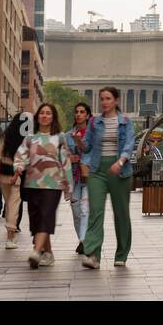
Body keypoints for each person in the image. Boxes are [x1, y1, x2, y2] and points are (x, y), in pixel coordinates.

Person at [80, 86, 135, 270]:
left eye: (108, 98)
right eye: (102, 98)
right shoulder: (94, 122)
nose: (104, 102)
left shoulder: (126, 122)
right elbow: (87, 147)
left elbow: (129, 144)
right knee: (95, 212)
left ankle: (121, 254)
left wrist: (120, 162)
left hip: (120, 171)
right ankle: (93, 255)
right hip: (97, 171)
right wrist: (79, 142)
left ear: (116, 101)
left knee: (121, 214)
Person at [12, 103, 73, 268]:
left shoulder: (59, 138)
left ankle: (36, 252)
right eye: (42, 113)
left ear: (53, 117)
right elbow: (21, 156)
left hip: (53, 184)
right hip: (32, 183)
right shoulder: (30, 138)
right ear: (38, 116)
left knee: (46, 216)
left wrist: (69, 187)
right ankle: (49, 253)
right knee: (37, 219)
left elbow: (66, 162)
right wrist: (18, 168)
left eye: (48, 113)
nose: (45, 116)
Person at [0, 112, 29, 249]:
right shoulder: (25, 138)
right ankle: (10, 236)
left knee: (8, 204)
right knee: (13, 205)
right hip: (16, 175)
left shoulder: (5, 136)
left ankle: (10, 232)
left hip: (4, 174)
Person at [66, 102, 92, 253]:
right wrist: (69, 157)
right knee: (76, 211)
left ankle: (86, 241)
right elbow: (61, 154)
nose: (79, 114)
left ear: (87, 115)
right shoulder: (68, 135)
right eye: (76, 112)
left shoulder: (93, 135)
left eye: (82, 112)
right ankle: (81, 239)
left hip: (89, 178)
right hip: (74, 178)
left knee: (85, 210)